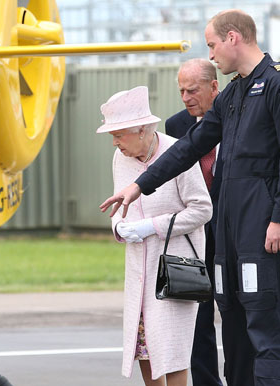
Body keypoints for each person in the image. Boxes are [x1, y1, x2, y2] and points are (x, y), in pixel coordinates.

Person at [101, 10, 280, 386]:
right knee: (232, 317)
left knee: (263, 315)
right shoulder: (234, 94)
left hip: (260, 224)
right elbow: (189, 148)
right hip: (227, 227)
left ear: (233, 38)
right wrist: (140, 185)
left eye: (212, 45)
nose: (211, 55)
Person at [96, 86, 212, 386]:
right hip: (139, 272)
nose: (114, 142)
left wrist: (152, 227)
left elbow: (202, 210)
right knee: (145, 351)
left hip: (174, 270)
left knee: (172, 352)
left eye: (119, 134)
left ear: (143, 129)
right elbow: (120, 205)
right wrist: (119, 227)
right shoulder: (121, 159)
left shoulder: (178, 153)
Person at [165, 58, 223, 386]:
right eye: (181, 91)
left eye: (192, 90)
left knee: (236, 316)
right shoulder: (175, 127)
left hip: (230, 233)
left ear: (214, 87)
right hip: (193, 239)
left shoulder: (236, 121)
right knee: (197, 321)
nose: (186, 98)